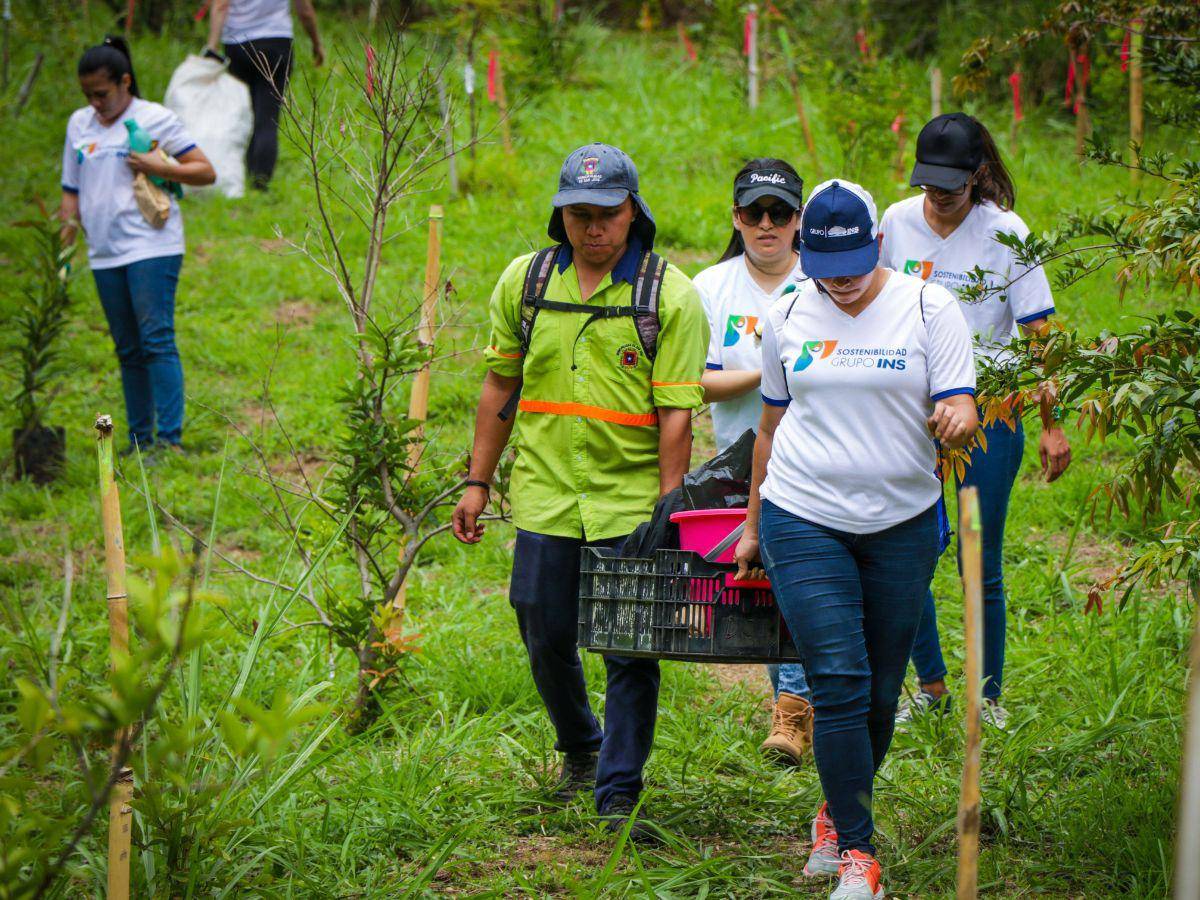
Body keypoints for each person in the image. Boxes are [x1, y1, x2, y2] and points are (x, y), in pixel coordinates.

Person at [452, 143, 707, 839]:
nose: (593, 228)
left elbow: (677, 411)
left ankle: (618, 790)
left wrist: (669, 507)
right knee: (541, 623)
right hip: (545, 493)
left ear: (634, 212)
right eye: (578, 215)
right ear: (560, 214)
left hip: (630, 501)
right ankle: (580, 745)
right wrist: (477, 481)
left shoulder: (669, 296)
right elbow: (500, 385)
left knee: (630, 646)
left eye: (608, 214)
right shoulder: (526, 282)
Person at [734, 179, 977, 899]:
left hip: (901, 522)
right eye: (824, 266)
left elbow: (959, 397)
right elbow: (772, 427)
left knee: (875, 692)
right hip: (802, 513)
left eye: (853, 264)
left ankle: (834, 812)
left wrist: (960, 414)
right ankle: (859, 859)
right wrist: (752, 523)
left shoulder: (930, 306)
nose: (838, 282)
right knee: (838, 680)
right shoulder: (787, 311)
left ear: (878, 245)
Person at [878, 113, 1072, 729]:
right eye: (928, 185)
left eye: (951, 187)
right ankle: (930, 686)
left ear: (977, 175)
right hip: (910, 411)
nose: (937, 198)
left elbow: (1040, 333)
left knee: (976, 557)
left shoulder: (1007, 233)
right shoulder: (896, 222)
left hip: (990, 412)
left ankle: (987, 697)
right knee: (904, 553)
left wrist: (1051, 422)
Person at [693, 158, 814, 767]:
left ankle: (793, 710)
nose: (767, 224)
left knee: (797, 578)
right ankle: (793, 704)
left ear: (800, 221)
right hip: (742, 462)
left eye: (781, 213)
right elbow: (694, 380)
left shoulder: (825, 280)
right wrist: (769, 377)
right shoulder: (711, 288)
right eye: (754, 213)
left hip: (818, 459)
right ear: (736, 218)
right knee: (764, 580)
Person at [61, 37, 216, 454]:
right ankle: (138, 438)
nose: (95, 102)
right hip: (104, 252)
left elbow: (204, 171)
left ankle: (170, 439)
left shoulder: (155, 118)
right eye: (87, 95)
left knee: (156, 340)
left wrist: (155, 165)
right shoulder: (79, 124)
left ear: (125, 82)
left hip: (152, 245)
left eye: (102, 93)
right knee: (128, 349)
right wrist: (65, 234)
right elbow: (71, 188)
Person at [205, 0, 324, 189]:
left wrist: (212, 47)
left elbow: (220, 5)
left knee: (244, 113)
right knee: (267, 118)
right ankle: (259, 182)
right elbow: (305, 10)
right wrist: (317, 43)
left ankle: (239, 174)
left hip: (237, 45)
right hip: (276, 43)